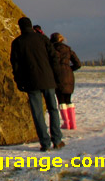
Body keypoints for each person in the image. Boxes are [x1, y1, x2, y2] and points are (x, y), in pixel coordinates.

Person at [11, 17, 64, 151]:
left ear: (20, 27)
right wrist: (57, 77)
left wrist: (19, 82)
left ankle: (45, 143)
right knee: (53, 109)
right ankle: (57, 140)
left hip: (31, 82)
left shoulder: (17, 42)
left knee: (38, 113)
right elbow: (53, 58)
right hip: (48, 79)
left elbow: (16, 65)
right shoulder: (43, 39)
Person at [50, 32, 82, 130]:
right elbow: (78, 64)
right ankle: (73, 123)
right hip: (68, 75)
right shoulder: (68, 49)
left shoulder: (51, 49)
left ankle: (66, 123)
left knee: (61, 100)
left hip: (57, 75)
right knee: (68, 99)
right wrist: (69, 68)